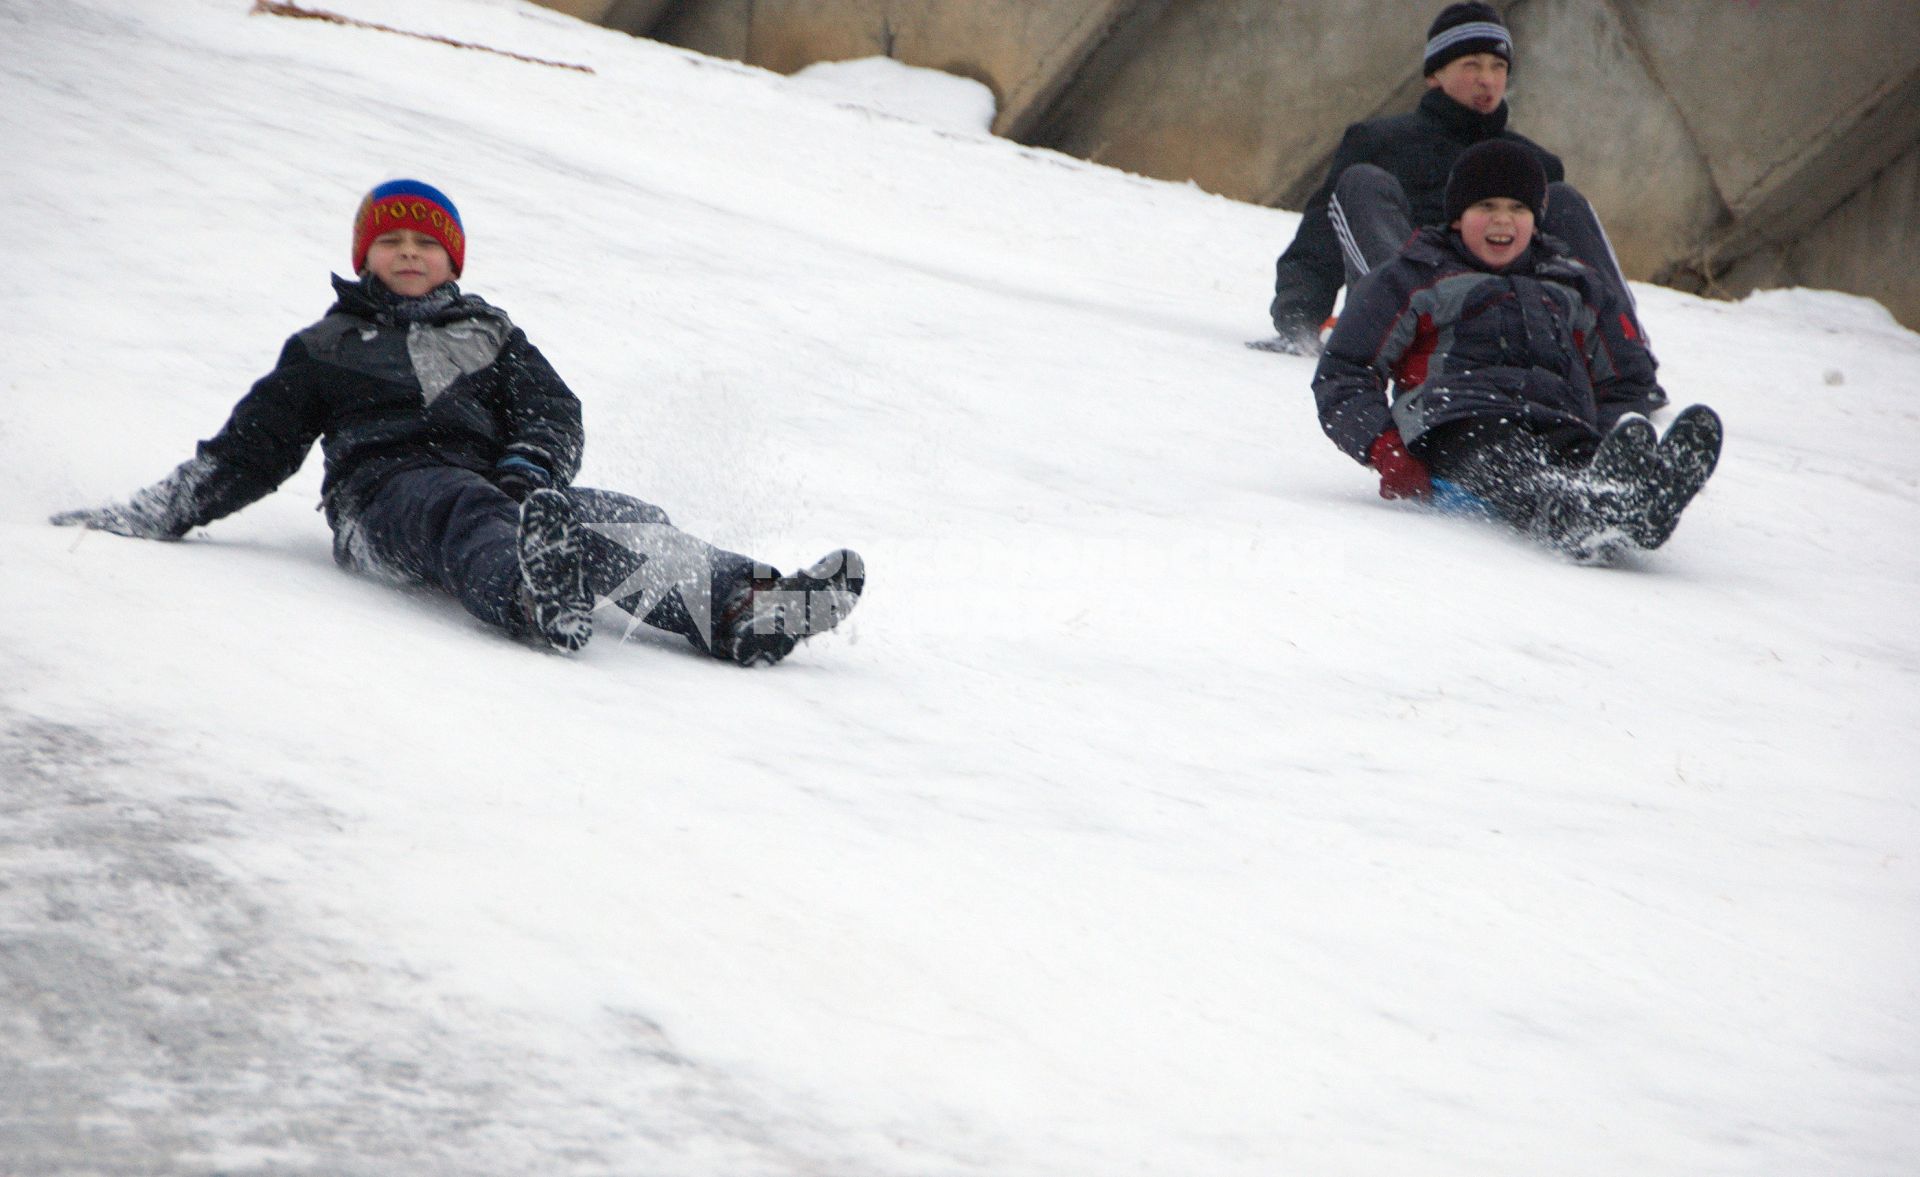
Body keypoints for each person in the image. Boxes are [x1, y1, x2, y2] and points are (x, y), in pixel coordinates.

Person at [51, 179, 864, 663]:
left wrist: (530, 472)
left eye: (426, 243)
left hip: (503, 491)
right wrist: (156, 511)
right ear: (364, 256)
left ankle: (744, 605)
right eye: (390, 240)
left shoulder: (491, 334)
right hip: (383, 506)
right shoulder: (326, 346)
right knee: (461, 507)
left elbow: (553, 412)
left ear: (454, 259)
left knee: (619, 517)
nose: (408, 253)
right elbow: (251, 451)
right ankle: (532, 598)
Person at [1310, 140, 1720, 562]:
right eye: (1486, 206)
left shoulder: (1573, 284)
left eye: (1518, 209)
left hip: (1558, 415)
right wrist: (1387, 451)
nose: (1502, 220)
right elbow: (1346, 370)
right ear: (1457, 217)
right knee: (1505, 459)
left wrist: (1608, 429)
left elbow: (1626, 375)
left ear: (1536, 219)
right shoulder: (1414, 276)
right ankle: (1571, 515)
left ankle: (1634, 500)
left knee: (1580, 454)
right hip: (1456, 420)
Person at [1266, 1, 1651, 378]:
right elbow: (1318, 243)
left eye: (1498, 66)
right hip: (1411, 321)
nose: (1488, 79)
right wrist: (1299, 320)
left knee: (1564, 199)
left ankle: (1626, 358)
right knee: (1361, 182)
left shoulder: (1533, 164)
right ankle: (1407, 334)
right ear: (1435, 74)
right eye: (1472, 65)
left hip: (1507, 325)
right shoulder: (1378, 142)